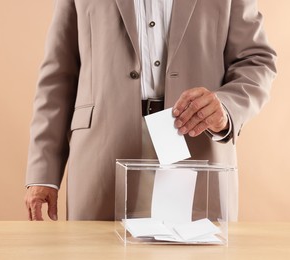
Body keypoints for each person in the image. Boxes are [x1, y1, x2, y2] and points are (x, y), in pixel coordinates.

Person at [24, 0, 276, 221]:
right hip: (101, 151)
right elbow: (58, 75)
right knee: (98, 251)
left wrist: (226, 106)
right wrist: (43, 173)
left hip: (195, 143)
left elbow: (256, 61)